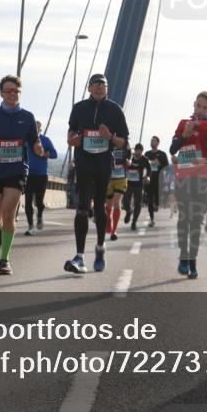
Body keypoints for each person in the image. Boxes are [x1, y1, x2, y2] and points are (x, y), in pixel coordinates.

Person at [0, 75, 43, 275]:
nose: (12, 94)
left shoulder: (27, 116)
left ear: (20, 92)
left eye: (15, 90)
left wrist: (38, 147)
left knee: (8, 212)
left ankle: (4, 260)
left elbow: (34, 140)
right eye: (8, 90)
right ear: (2, 93)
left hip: (17, 170)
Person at [66, 74, 129, 274]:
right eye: (96, 84)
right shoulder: (79, 108)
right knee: (83, 207)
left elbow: (124, 142)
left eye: (104, 84)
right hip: (84, 162)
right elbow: (71, 133)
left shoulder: (115, 110)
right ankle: (79, 257)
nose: (100, 87)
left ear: (107, 89)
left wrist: (109, 136)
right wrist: (72, 140)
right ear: (89, 88)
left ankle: (101, 248)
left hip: (103, 163)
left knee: (100, 207)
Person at [170, 91, 207, 279]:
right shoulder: (183, 123)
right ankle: (183, 257)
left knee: (195, 221)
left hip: (201, 178)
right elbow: (172, 149)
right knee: (183, 219)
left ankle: (193, 261)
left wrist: (206, 160)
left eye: (205, 107)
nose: (200, 110)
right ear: (194, 104)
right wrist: (184, 135)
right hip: (183, 178)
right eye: (198, 106)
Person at [23, 120, 58, 236]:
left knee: (39, 201)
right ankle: (30, 227)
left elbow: (54, 154)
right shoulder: (26, 140)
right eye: (34, 128)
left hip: (42, 175)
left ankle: (39, 215)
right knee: (28, 202)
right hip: (29, 174)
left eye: (38, 128)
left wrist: (44, 154)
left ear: (40, 129)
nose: (36, 130)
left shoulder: (45, 140)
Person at [143, 136, 169, 227]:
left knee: (157, 200)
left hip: (159, 180)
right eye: (151, 141)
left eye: (154, 141)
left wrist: (159, 164)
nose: (152, 142)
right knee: (150, 200)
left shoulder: (162, 154)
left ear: (158, 143)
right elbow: (143, 166)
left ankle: (157, 204)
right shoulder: (147, 154)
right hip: (149, 180)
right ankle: (152, 220)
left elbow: (167, 167)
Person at [124, 143, 151, 230]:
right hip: (128, 183)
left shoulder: (144, 159)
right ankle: (129, 211)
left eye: (140, 151)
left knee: (138, 204)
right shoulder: (130, 158)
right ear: (134, 150)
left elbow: (149, 169)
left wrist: (147, 176)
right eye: (137, 150)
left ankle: (134, 222)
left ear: (142, 151)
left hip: (139, 184)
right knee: (125, 203)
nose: (138, 152)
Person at [106, 145, 130, 241]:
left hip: (121, 178)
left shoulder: (125, 143)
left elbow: (129, 157)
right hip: (109, 178)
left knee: (117, 201)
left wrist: (129, 162)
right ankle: (109, 220)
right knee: (108, 205)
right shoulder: (108, 141)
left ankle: (114, 231)